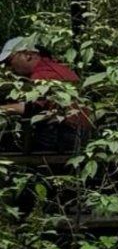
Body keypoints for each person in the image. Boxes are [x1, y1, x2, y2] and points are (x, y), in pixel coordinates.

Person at [0, 34, 92, 163]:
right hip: (78, 133)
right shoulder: (57, 67)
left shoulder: (43, 73)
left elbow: (30, 108)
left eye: (9, 61)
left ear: (27, 55)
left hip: (66, 134)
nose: (9, 68)